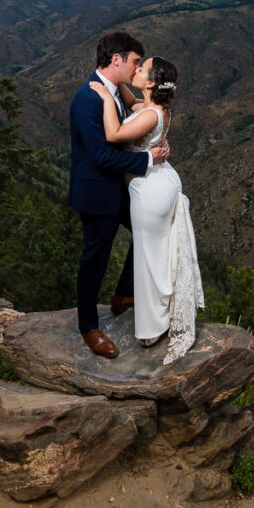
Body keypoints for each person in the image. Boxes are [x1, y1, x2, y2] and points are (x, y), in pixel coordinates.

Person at [90, 55, 204, 363]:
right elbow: (132, 101)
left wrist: (103, 97)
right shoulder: (154, 108)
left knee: (148, 256)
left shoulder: (149, 114)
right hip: (161, 181)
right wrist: (119, 82)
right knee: (155, 253)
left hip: (149, 189)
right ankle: (159, 315)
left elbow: (114, 135)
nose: (136, 70)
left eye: (141, 69)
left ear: (152, 83)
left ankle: (151, 328)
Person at [69, 31, 169, 358]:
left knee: (147, 231)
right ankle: (88, 326)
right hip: (98, 194)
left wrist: (156, 137)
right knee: (94, 261)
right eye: (135, 61)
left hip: (119, 188)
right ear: (117, 60)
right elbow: (100, 156)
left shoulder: (114, 91)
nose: (137, 67)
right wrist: (147, 158)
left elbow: (140, 116)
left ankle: (124, 294)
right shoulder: (87, 99)